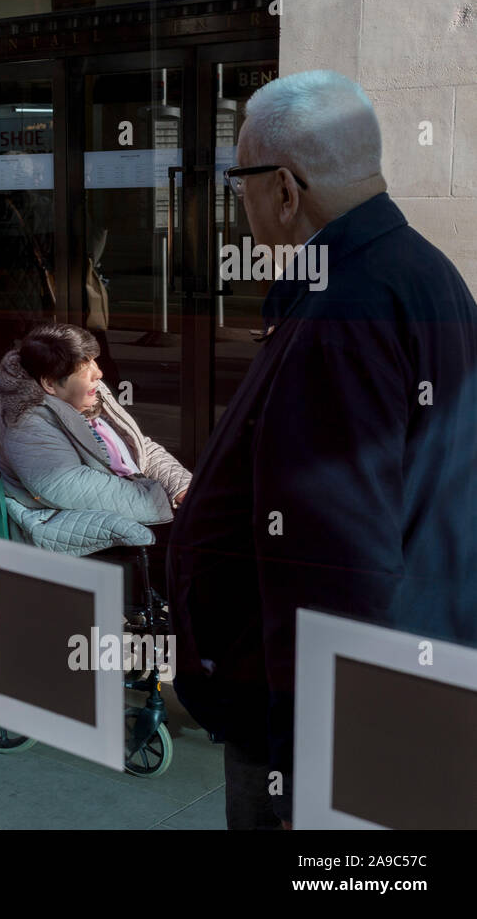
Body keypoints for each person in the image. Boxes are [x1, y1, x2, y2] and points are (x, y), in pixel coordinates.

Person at [167, 70, 477, 829]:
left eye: (238, 182)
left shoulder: (343, 314)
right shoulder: (422, 272)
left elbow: (330, 559)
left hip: (321, 730)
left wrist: (311, 760)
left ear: (282, 189)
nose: (237, 206)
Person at [0, 323, 189, 557]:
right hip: (66, 527)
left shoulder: (85, 396)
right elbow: (64, 484)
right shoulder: (27, 421)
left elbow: (139, 447)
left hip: (130, 502)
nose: (98, 373)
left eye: (94, 361)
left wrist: (182, 487)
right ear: (49, 383)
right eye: (84, 366)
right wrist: (158, 498)